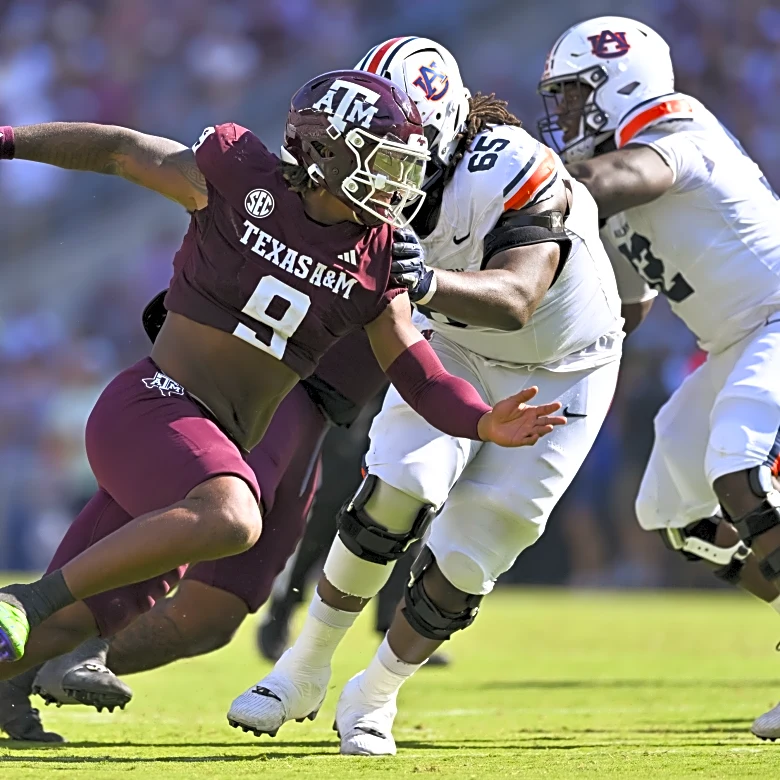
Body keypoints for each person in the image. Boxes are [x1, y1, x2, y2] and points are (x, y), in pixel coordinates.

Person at [0, 70, 566, 687]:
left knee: (97, 611)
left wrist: (481, 420)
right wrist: (8, 139)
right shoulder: (237, 178)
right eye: (384, 162)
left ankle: (13, 676)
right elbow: (120, 149)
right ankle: (25, 599)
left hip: (212, 439)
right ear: (324, 153)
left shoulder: (377, 256)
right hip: (152, 405)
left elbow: (421, 377)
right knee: (232, 518)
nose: (400, 184)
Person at [227, 38, 623, 754]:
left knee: (478, 545)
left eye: (392, 141)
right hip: (452, 349)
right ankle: (303, 666)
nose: (374, 161)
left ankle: (374, 695)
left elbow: (516, 297)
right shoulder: (362, 186)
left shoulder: (511, 166)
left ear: (438, 129)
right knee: (397, 486)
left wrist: (431, 282)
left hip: (565, 368)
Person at [537, 17, 780, 740]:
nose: (569, 115)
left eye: (578, 95)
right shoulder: (604, 193)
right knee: (672, 511)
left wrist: (510, 179)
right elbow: (621, 312)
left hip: (776, 317)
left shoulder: (670, 126)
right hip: (737, 340)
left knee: (739, 465)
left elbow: (617, 176)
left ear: (622, 83)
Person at [0, 300, 388, 742]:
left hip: (320, 416)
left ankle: (25, 669)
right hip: (258, 383)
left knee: (210, 618)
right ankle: (80, 640)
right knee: (217, 513)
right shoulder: (365, 242)